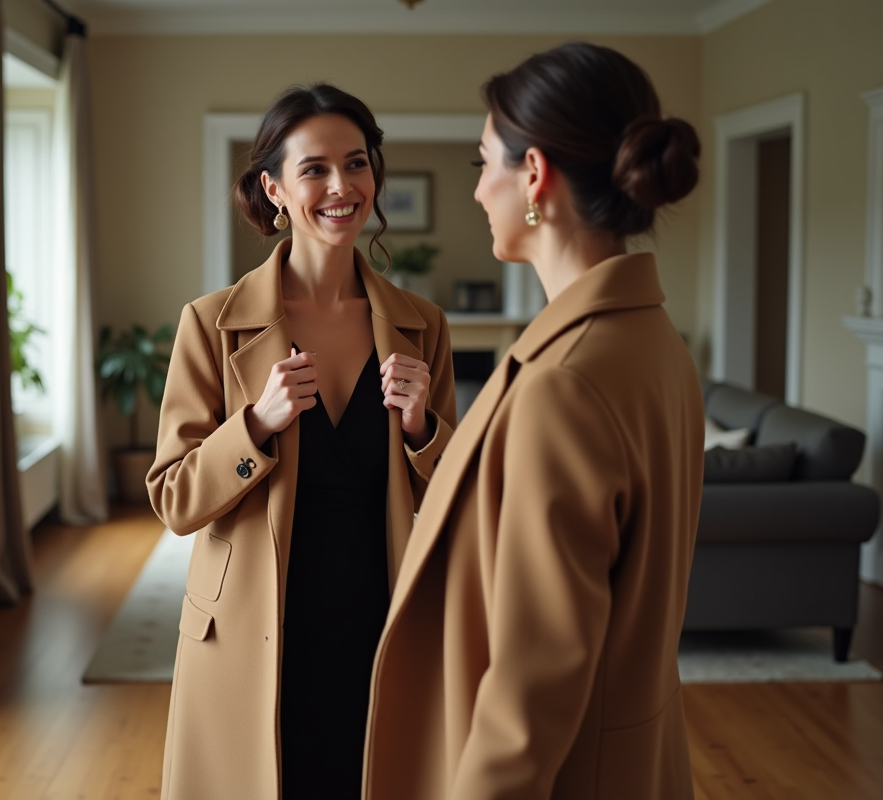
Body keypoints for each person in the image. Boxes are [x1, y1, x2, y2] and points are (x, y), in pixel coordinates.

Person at [362, 42, 704, 800]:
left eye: (485, 164)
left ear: (535, 177)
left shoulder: (565, 383)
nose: (479, 189)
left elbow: (531, 686)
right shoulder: (654, 342)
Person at [147, 83, 457, 800]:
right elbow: (173, 498)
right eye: (314, 168)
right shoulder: (211, 324)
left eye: (356, 164)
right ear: (275, 188)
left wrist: (422, 432)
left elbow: (455, 499)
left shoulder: (423, 325)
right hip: (256, 626)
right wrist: (254, 425)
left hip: (381, 617)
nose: (340, 186)